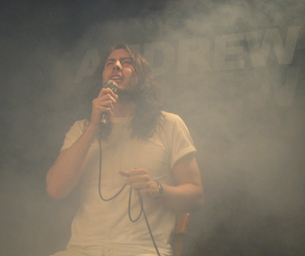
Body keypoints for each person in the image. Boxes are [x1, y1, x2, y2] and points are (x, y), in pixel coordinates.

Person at [46, 43, 204, 256]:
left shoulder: (169, 124)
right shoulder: (82, 128)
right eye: (110, 63)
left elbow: (195, 195)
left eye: (126, 62)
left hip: (141, 250)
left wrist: (156, 188)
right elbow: (56, 189)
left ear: (142, 78)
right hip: (82, 249)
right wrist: (94, 127)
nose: (117, 66)